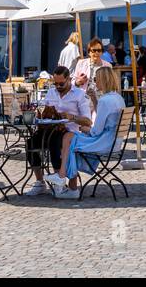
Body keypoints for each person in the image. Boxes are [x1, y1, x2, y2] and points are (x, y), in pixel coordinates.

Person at [50, 66, 127, 198]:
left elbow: (96, 132)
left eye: (96, 79)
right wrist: (95, 101)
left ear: (103, 80)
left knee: (69, 138)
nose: (95, 82)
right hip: (115, 141)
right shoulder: (117, 98)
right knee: (70, 138)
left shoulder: (105, 101)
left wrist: (83, 128)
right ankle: (63, 178)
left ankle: (65, 180)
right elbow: (106, 116)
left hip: (104, 143)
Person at [24, 65, 93, 196]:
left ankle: (59, 181)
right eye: (55, 83)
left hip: (70, 131)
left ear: (69, 79)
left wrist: (71, 117)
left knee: (54, 142)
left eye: (61, 83)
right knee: (30, 143)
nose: (58, 86)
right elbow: (46, 110)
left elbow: (87, 121)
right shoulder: (51, 92)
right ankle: (40, 181)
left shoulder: (79, 95)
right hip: (50, 129)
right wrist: (43, 114)